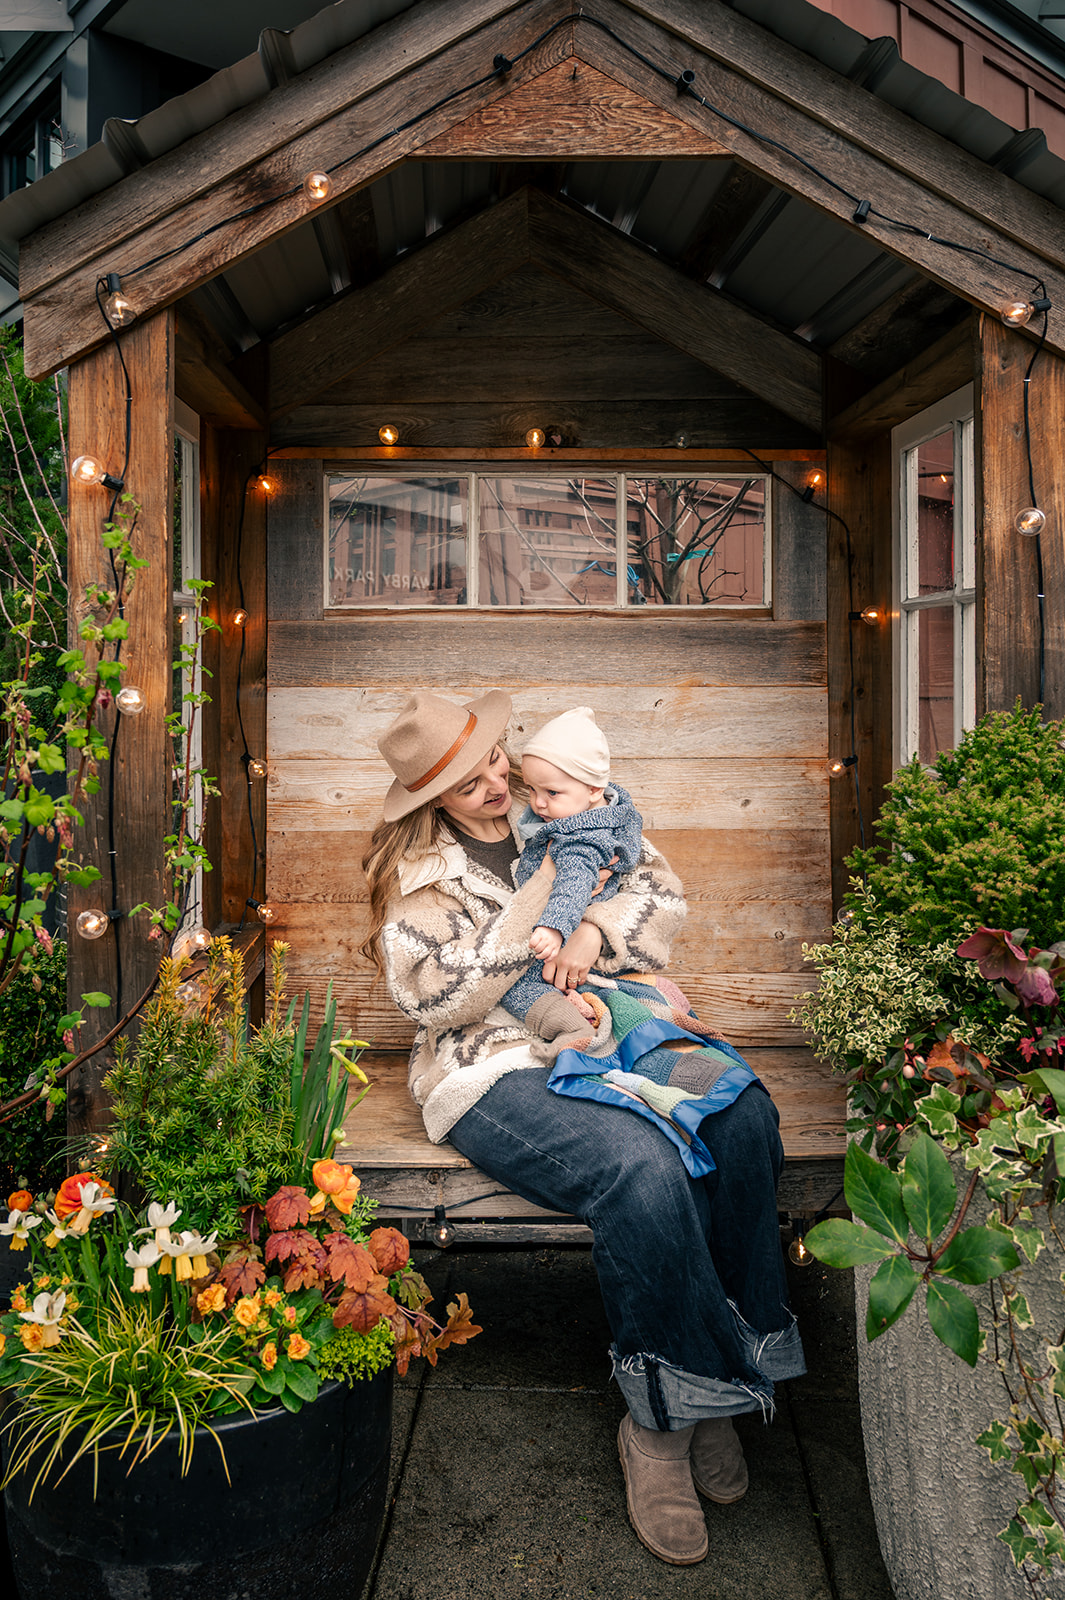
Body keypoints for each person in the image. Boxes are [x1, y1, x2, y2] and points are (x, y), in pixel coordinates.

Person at [360, 689, 805, 1567]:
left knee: (744, 1117)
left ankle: (724, 1372)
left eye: (493, 759)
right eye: (465, 780)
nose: (495, 782)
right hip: (488, 1065)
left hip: (615, 1022)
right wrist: (536, 910)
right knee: (641, 1171)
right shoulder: (417, 882)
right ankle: (661, 1426)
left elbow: (660, 897)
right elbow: (430, 996)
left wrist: (593, 932)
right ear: (428, 801)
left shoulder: (570, 805)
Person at [499, 705, 642, 1044]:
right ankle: (574, 1001)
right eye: (532, 790)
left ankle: (571, 1024)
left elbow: (573, 884)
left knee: (517, 987)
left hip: (563, 931)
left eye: (551, 793)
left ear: (594, 789)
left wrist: (553, 928)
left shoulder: (580, 837)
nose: (538, 804)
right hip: (573, 939)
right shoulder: (607, 813)